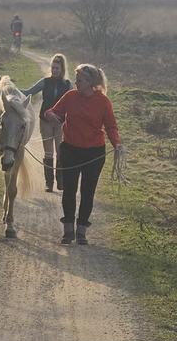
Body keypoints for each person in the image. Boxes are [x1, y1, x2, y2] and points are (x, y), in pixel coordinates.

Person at [44, 64, 123, 245]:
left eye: (79, 80)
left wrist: (117, 144)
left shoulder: (103, 102)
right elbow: (52, 111)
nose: (76, 83)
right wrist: (50, 115)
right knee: (69, 190)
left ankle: (81, 231)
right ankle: (68, 230)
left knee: (88, 192)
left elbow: (111, 126)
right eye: (76, 80)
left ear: (90, 82)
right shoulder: (70, 96)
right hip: (70, 150)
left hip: (94, 153)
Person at [22, 54, 72, 192]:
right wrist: (12, 89)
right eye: (53, 68)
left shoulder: (68, 85)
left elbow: (74, 101)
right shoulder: (45, 82)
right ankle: (49, 183)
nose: (54, 70)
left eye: (57, 68)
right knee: (48, 152)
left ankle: (60, 180)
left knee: (60, 151)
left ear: (62, 69)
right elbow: (29, 92)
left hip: (61, 122)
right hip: (45, 121)